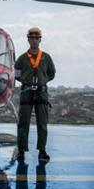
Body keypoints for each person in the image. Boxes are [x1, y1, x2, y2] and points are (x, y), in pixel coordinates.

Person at [15, 27, 56, 162]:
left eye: (36, 38)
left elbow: (52, 73)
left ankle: (42, 150)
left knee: (42, 123)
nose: (34, 40)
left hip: (41, 93)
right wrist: (26, 82)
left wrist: (42, 82)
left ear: (40, 40)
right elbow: (17, 75)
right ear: (28, 40)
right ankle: (21, 150)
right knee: (23, 123)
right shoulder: (21, 59)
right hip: (26, 93)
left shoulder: (46, 57)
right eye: (31, 38)